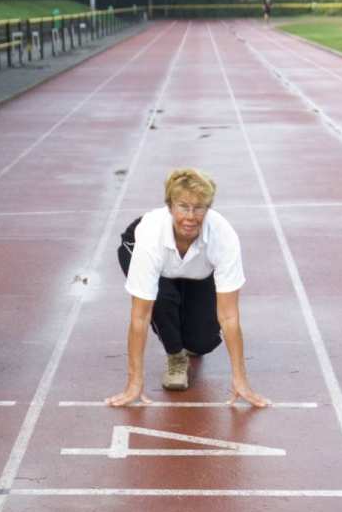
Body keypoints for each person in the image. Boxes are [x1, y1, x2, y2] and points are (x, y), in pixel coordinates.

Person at [108, 167, 269, 408]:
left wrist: (240, 379)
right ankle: (175, 355)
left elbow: (229, 316)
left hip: (196, 269)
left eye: (199, 208)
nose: (190, 217)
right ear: (170, 207)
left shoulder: (222, 236)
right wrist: (134, 382)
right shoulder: (150, 236)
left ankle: (187, 334)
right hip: (155, 259)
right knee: (161, 298)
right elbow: (140, 317)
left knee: (202, 342)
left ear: (208, 208)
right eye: (183, 206)